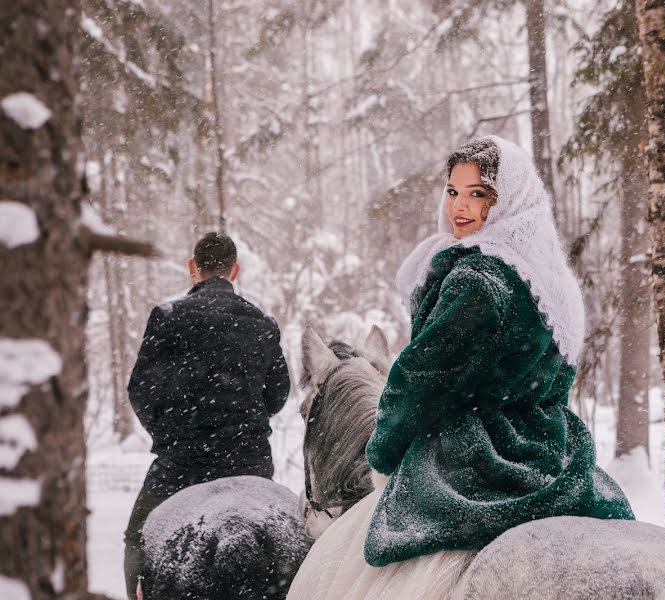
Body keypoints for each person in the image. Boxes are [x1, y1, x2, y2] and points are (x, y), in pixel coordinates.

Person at [288, 136, 633, 600]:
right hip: (553, 450)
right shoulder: (548, 278)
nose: (460, 207)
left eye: (479, 194)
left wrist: (384, 453)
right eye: (453, 192)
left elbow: (418, 379)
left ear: (506, 199)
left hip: (474, 456)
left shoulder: (478, 279)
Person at [124, 231, 291, 600]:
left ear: (192, 268)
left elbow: (140, 390)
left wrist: (171, 434)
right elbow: (278, 394)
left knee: (136, 537)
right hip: (249, 462)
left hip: (182, 464)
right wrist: (242, 420)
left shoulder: (168, 317)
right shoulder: (262, 323)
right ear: (235, 271)